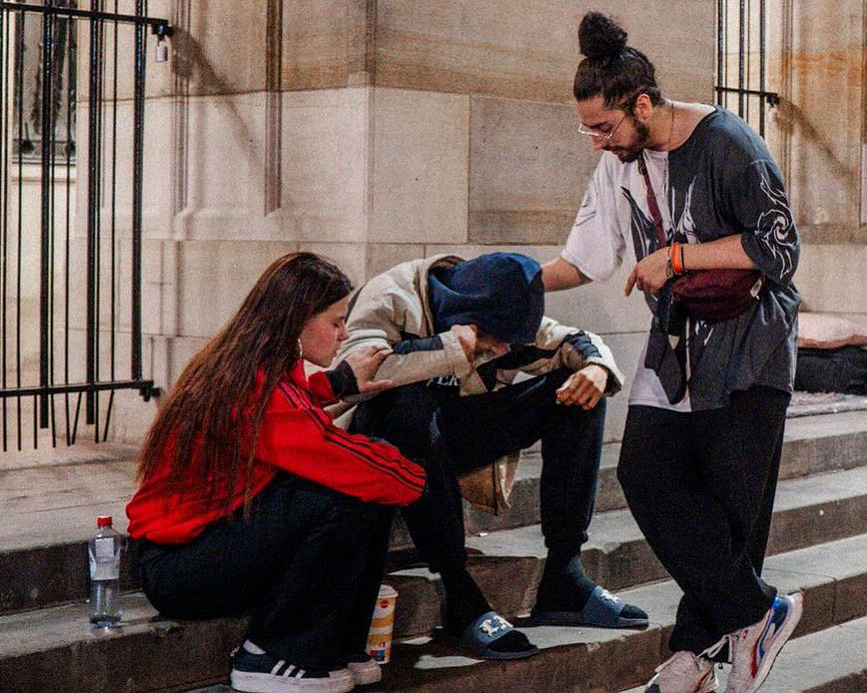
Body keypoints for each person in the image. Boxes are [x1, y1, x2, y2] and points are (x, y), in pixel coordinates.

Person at [539, 12, 804, 693]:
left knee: (728, 509)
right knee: (646, 476)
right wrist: (507, 282)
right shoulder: (618, 163)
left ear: (644, 105)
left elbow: (781, 248)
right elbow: (586, 256)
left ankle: (692, 662)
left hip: (751, 347)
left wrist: (677, 255)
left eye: (605, 127)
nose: (598, 142)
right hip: (678, 343)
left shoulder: (730, 144)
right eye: (589, 130)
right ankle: (756, 613)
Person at [126, 252, 426, 693]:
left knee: (357, 493)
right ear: (296, 321)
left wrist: (339, 383)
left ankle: (340, 644)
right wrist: (422, 480)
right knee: (345, 495)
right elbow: (322, 447)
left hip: (198, 550)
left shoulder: (254, 368)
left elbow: (295, 406)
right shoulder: (255, 389)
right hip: (178, 570)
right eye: (335, 322)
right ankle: (274, 654)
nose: (344, 335)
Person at [331, 251, 648, 660]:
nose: (502, 350)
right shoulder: (391, 297)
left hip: (455, 437)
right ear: (470, 315)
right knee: (406, 402)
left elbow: (571, 340)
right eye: (496, 340)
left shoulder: (500, 306)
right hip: (384, 444)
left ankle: (563, 576)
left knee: (581, 391)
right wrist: (453, 347)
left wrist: (597, 369)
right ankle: (458, 591)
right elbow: (354, 377)